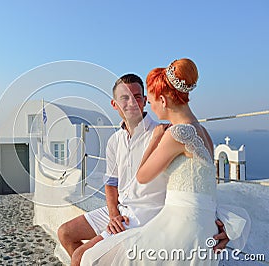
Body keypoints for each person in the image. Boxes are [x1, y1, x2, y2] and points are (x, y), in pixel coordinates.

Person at [80, 59, 250, 265]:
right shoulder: (204, 133)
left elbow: (142, 176)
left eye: (149, 101)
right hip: (202, 227)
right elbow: (204, 187)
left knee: (90, 258)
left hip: (179, 228)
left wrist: (154, 141)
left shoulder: (177, 133)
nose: (149, 107)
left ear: (163, 100)